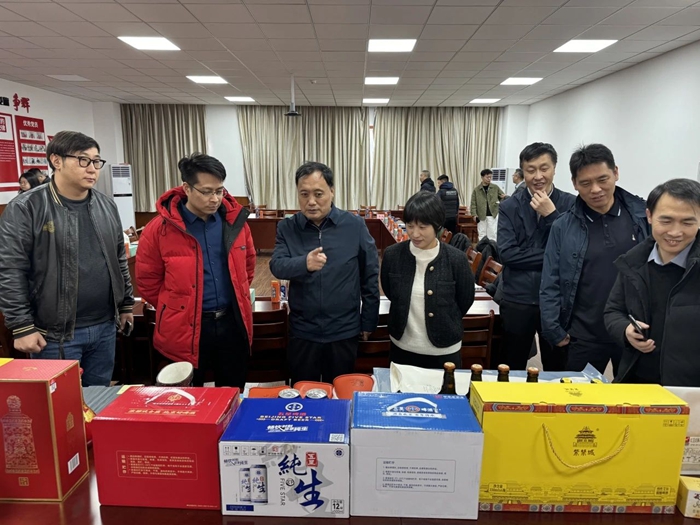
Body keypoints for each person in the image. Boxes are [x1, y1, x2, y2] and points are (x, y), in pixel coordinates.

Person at [0, 131, 134, 386]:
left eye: (96, 161)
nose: (92, 168)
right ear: (56, 161)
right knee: (60, 405)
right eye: (83, 160)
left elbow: (118, 259)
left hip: (105, 327)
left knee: (98, 401)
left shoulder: (106, 205)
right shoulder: (26, 207)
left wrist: (126, 304)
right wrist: (21, 325)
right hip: (54, 334)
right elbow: (10, 270)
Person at [137, 153, 255, 389]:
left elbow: (248, 267)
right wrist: (176, 306)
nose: (215, 199)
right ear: (187, 188)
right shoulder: (159, 229)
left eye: (219, 191)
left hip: (231, 323)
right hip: (184, 326)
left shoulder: (235, 223)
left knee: (232, 392)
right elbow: (147, 282)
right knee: (187, 399)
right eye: (207, 192)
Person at [540, 144, 649, 376]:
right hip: (583, 333)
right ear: (574, 183)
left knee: (633, 394)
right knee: (577, 396)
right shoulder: (562, 226)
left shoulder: (642, 217)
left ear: (616, 173)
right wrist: (552, 328)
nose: (596, 189)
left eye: (602, 179)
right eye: (586, 183)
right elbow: (550, 280)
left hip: (633, 329)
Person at [270, 161, 380, 384]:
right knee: (303, 393)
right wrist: (304, 264)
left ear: (332, 191)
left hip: (344, 330)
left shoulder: (354, 225)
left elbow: (369, 274)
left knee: (340, 393)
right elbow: (277, 265)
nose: (311, 201)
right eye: (304, 194)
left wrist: (368, 321)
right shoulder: (287, 227)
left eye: (318, 194)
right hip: (303, 331)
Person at [605, 178, 700, 386]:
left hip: (689, 389)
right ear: (649, 216)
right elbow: (613, 311)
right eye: (666, 221)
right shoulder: (632, 262)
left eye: (687, 222)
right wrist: (625, 330)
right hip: (638, 382)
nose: (675, 232)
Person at [497, 142, 576, 371]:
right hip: (517, 298)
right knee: (511, 366)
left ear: (554, 169)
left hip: (557, 300)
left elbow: (573, 252)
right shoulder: (509, 206)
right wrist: (554, 256)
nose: (538, 176)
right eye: (531, 170)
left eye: (544, 168)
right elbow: (507, 254)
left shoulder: (571, 204)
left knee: (557, 367)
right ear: (523, 171)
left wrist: (552, 216)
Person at [381, 192, 475, 369]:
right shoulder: (393, 255)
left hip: (444, 350)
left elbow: (465, 299)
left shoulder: (456, 259)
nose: (415, 234)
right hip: (402, 347)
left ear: (437, 225)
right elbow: (390, 292)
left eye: (422, 227)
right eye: (410, 226)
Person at [470, 169, 505, 241]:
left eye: (490, 177)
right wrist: (474, 214)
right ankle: (482, 247)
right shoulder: (476, 190)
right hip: (481, 215)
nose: (489, 179)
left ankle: (492, 247)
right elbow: (473, 203)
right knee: (482, 234)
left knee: (492, 234)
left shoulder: (495, 187)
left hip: (492, 214)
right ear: (482, 177)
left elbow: (503, 197)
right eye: (487, 177)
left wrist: (498, 205)